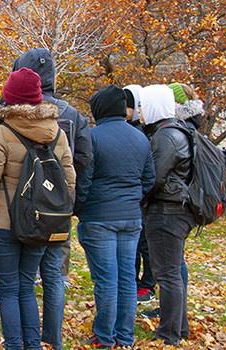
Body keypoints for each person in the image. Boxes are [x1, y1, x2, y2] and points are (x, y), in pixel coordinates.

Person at [0, 48, 92, 350]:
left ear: (10, 97)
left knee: (8, 289)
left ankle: (14, 344)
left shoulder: (2, 132)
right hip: (42, 220)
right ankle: (33, 344)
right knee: (27, 286)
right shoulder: (57, 132)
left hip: (5, 221)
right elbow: (70, 178)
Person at [76, 85, 155, 349]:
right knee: (126, 279)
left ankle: (105, 337)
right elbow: (149, 180)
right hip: (131, 218)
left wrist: (80, 208)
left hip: (99, 218)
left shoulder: (92, 137)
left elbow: (84, 182)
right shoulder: (141, 139)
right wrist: (131, 199)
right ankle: (125, 336)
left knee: (106, 281)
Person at [141, 82, 205, 320]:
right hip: (176, 206)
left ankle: (171, 331)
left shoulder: (168, 134)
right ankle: (178, 324)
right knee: (173, 270)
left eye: (142, 105)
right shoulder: (177, 131)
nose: (139, 111)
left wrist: (141, 198)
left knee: (169, 273)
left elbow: (156, 177)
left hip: (168, 209)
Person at [124, 84, 157, 304]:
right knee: (135, 245)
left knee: (145, 244)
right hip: (135, 199)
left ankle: (147, 284)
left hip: (144, 200)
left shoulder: (144, 133)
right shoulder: (134, 130)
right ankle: (135, 282)